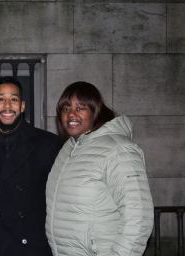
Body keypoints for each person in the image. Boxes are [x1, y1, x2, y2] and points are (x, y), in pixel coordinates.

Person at [45, 81, 154, 256]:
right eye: (65, 109)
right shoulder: (68, 149)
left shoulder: (118, 149)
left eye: (80, 108)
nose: (71, 114)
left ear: (95, 111)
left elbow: (139, 218)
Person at [0, 76, 63, 256]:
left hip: (33, 247)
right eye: (0, 99)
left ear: (22, 106)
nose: (7, 106)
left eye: (13, 99)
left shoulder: (48, 144)